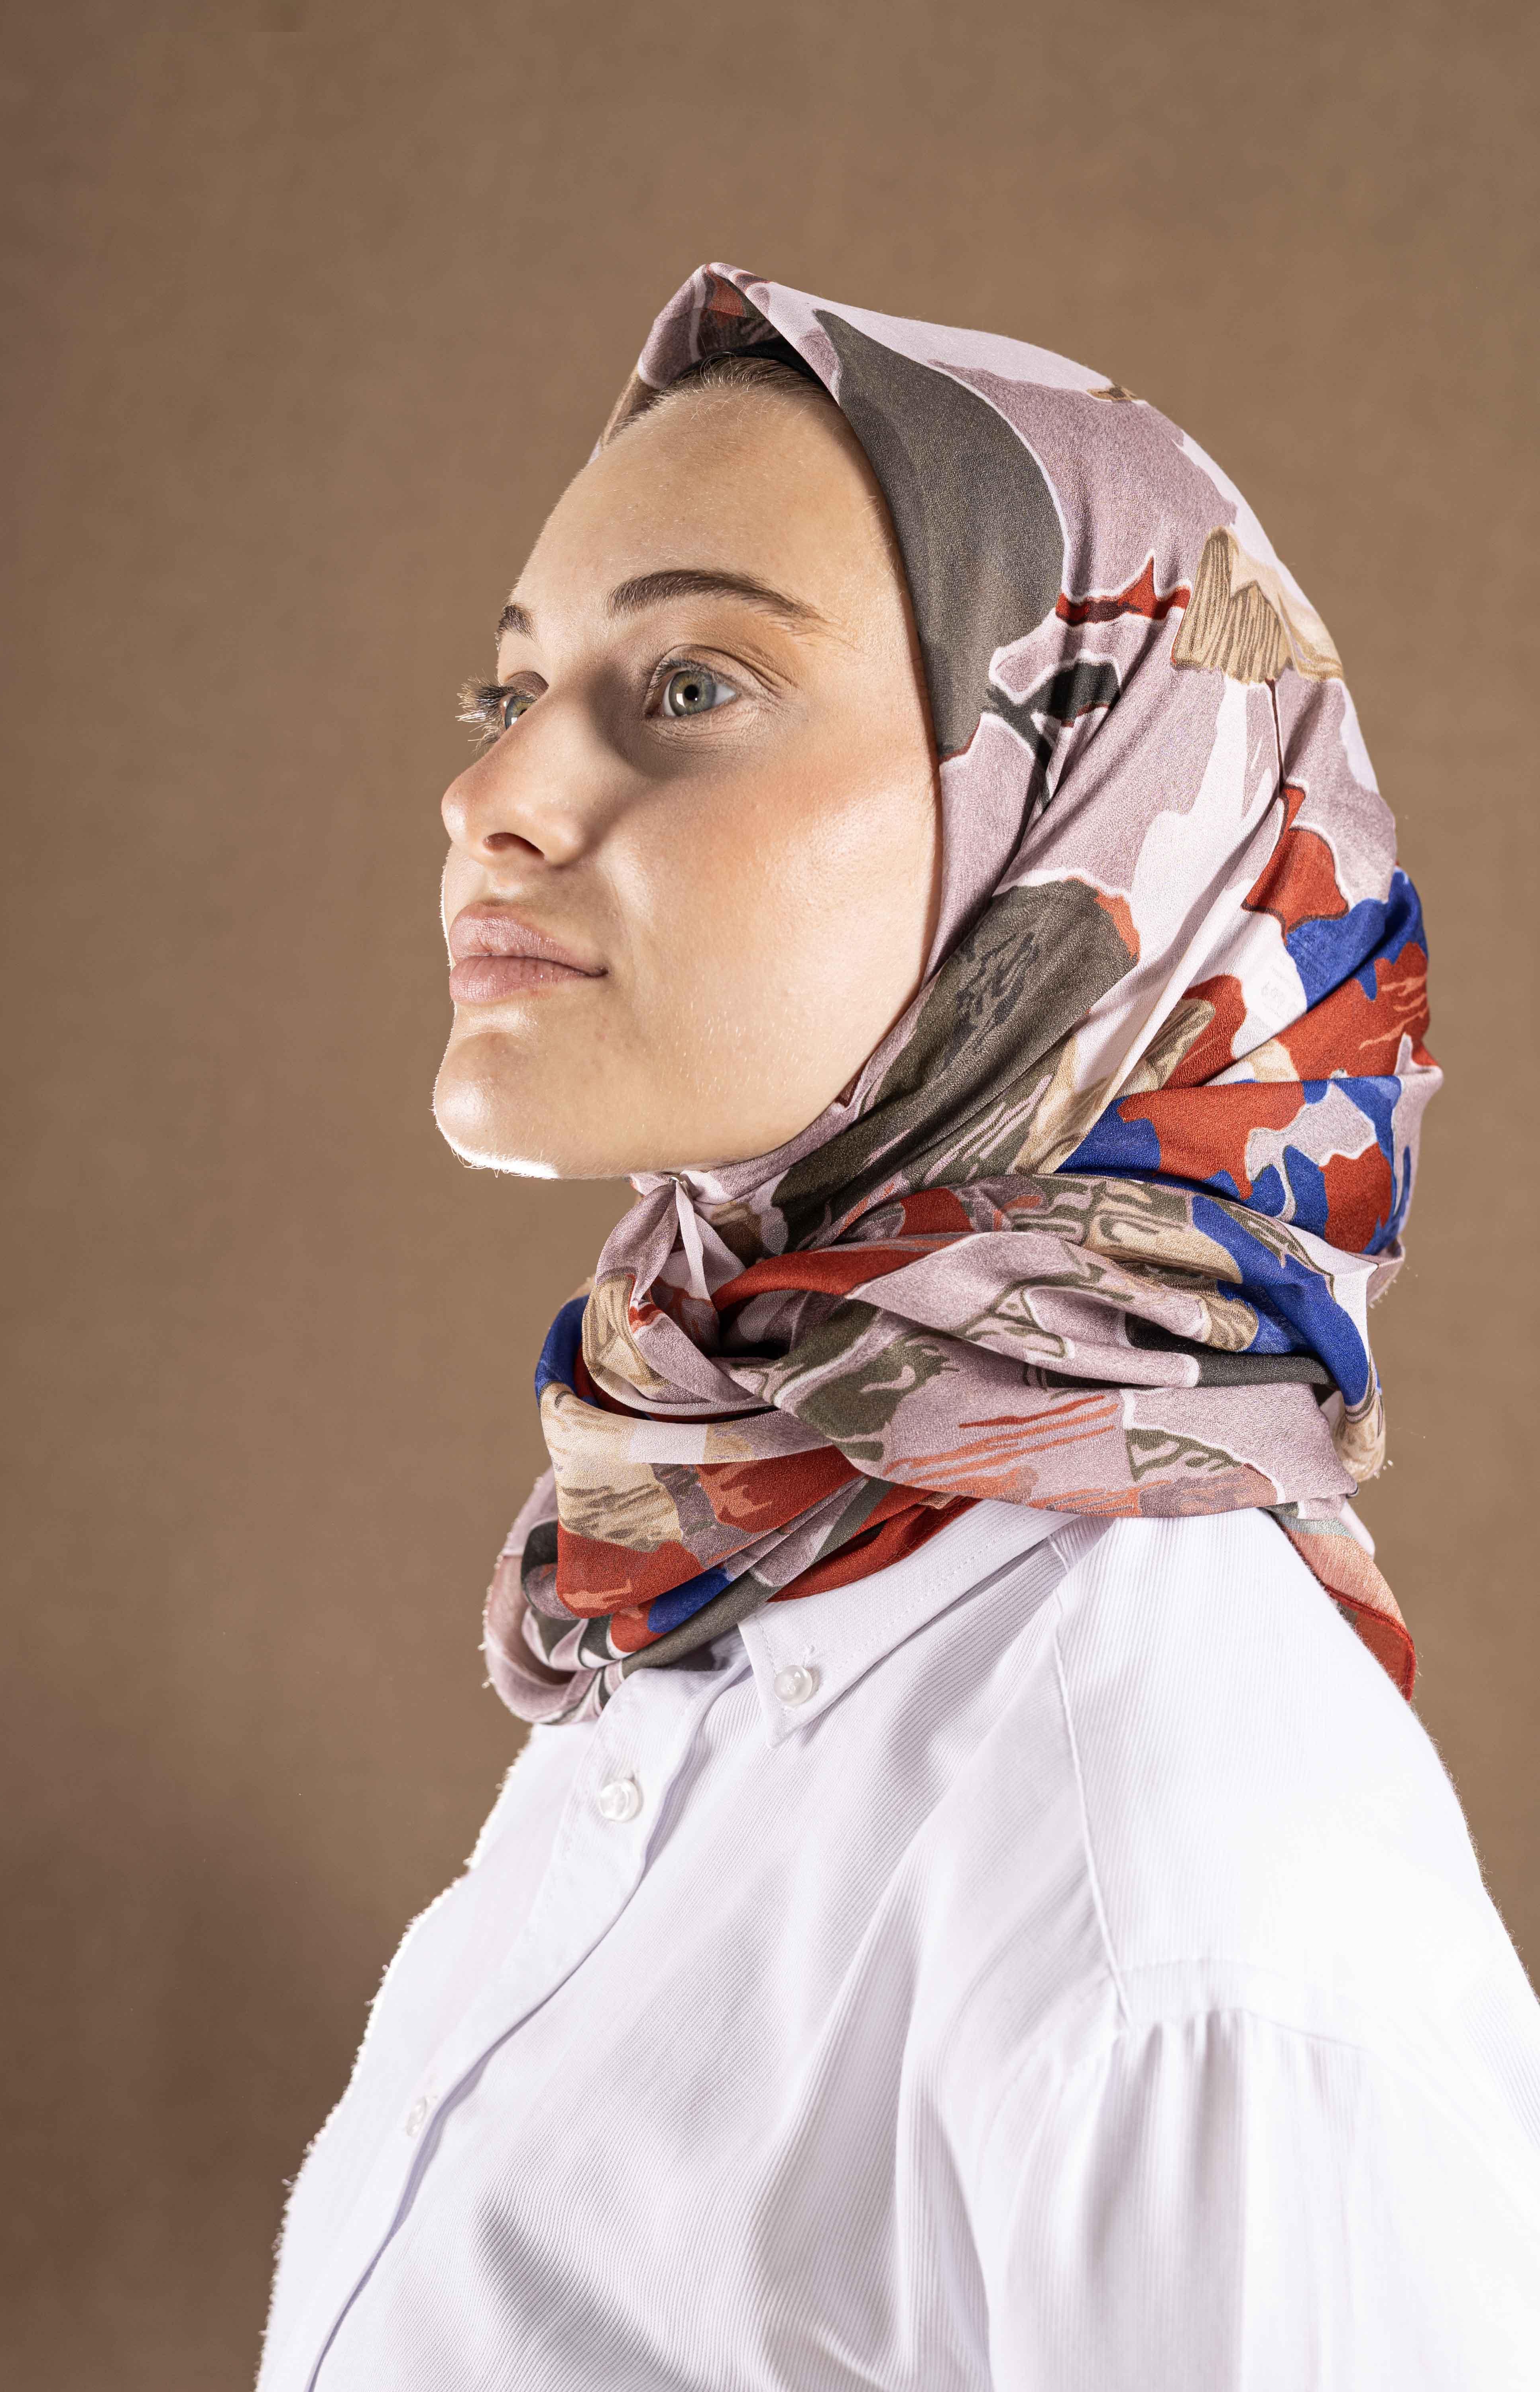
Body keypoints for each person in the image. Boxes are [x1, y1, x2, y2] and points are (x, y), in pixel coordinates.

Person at [257, 267, 1540, 2390]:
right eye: (512, 690)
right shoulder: (751, 1558)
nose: (493, 797)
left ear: (1084, 815)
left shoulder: (1173, 1890)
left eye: (689, 685)